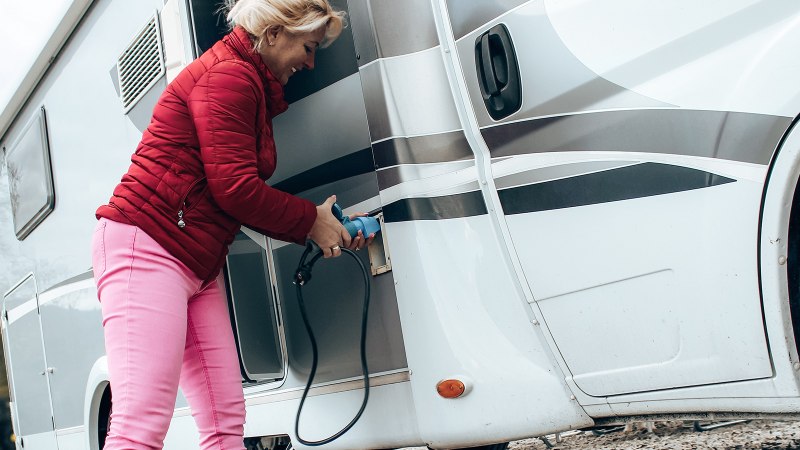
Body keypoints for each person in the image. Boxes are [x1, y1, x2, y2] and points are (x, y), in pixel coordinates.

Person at [91, 0, 373, 448]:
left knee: (225, 419)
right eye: (308, 46)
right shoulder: (229, 77)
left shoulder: (247, 80)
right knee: (140, 424)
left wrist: (319, 223)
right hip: (146, 246)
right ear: (275, 33)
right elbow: (236, 189)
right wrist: (310, 222)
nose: (311, 61)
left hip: (195, 261)